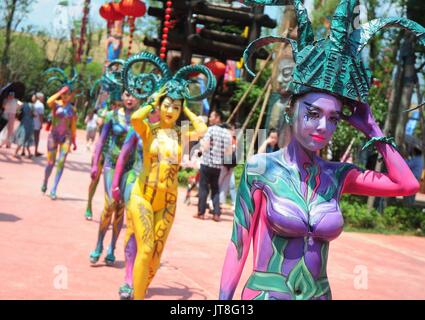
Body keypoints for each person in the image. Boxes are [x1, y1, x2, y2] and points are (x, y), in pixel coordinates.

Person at [219, 0, 423, 300]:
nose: (322, 127)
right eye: (312, 113)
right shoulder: (261, 169)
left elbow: (406, 184)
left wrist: (372, 129)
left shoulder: (338, 176)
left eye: (333, 118)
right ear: (290, 110)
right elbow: (239, 244)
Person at [122, 52, 216, 299]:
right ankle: (138, 294)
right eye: (168, 105)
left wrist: (186, 109)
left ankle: (139, 286)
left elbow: (202, 129)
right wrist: (153, 100)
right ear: (160, 105)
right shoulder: (149, 131)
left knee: (154, 257)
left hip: (168, 202)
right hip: (143, 195)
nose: (171, 110)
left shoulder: (181, 133)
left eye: (176, 107)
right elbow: (135, 117)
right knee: (146, 248)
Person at [89, 89, 140, 266]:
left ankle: (112, 247)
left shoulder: (140, 120)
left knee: (121, 209)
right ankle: (98, 244)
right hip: (111, 163)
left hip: (130, 168)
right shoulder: (112, 116)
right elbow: (101, 141)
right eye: (127, 94)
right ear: (122, 96)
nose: (130, 98)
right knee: (110, 204)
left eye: (134, 95)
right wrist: (95, 163)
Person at [41, 67, 80, 200]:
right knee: (50, 163)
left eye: (68, 94)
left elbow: (73, 126)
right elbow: (48, 101)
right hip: (53, 136)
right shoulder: (56, 105)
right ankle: (46, 180)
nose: (65, 96)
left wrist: (74, 141)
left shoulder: (73, 110)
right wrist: (59, 92)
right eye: (64, 93)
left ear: (71, 95)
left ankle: (54, 188)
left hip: (66, 137)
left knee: (62, 161)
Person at [196, 110, 232, 222]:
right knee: (215, 189)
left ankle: (201, 213)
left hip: (206, 163)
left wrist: (199, 152)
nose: (210, 118)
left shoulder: (210, 130)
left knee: (203, 188)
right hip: (217, 166)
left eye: (211, 116)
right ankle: (216, 213)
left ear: (217, 118)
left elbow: (205, 146)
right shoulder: (227, 134)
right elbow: (228, 153)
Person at [219, 122, 237, 211]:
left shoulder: (233, 139)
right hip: (225, 164)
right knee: (221, 183)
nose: (232, 131)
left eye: (233, 129)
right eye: (231, 129)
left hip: (229, 164)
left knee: (225, 184)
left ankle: (218, 202)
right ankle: (215, 201)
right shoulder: (227, 138)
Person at [33, 92, 45, 157]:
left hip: (31, 122)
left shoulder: (34, 104)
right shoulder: (41, 105)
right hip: (37, 123)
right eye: (43, 97)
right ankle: (35, 151)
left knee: (28, 137)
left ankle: (24, 150)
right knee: (36, 137)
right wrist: (41, 124)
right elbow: (41, 116)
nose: (43, 98)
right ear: (40, 97)